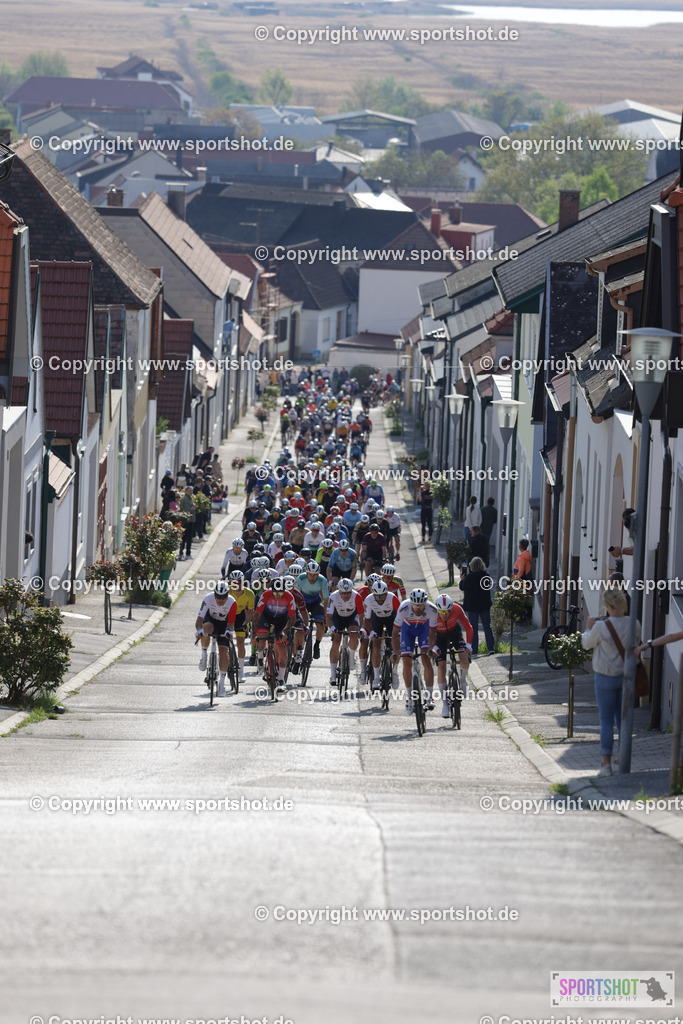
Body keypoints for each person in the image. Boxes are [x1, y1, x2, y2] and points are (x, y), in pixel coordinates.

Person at [581, 589, 631, 776]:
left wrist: (588, 627)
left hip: (604, 677)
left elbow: (586, 643)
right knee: (623, 721)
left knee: (606, 721)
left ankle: (606, 765)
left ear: (608, 606)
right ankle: (621, 759)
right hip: (625, 677)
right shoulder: (633, 624)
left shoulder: (601, 627)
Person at [393, 588, 438, 713]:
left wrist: (430, 649)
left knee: (426, 658)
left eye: (421, 605)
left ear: (426, 604)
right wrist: (396, 651)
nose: (418, 608)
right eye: (415, 605)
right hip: (408, 630)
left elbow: (433, 634)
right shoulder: (403, 608)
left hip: (424, 629)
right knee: (407, 662)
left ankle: (429, 696)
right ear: (411, 603)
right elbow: (395, 633)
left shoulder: (432, 610)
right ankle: (409, 697)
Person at [433, 594, 472, 719]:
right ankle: (445, 704)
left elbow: (468, 627)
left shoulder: (457, 609)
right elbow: (428, 633)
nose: (444, 614)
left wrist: (469, 644)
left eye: (447, 612)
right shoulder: (432, 613)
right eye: (442, 612)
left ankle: (462, 680)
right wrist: (434, 646)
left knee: (464, 658)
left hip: (454, 633)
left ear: (451, 609)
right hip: (439, 637)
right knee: (441, 667)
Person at [196, 580, 237, 697]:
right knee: (206, 628)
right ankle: (204, 655)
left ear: (227, 595)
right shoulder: (207, 599)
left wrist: (229, 631)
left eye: (223, 597)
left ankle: (222, 684)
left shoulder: (232, 602)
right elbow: (199, 620)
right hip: (211, 620)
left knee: (224, 651)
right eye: (218, 597)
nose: (220, 600)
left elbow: (231, 623)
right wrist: (199, 630)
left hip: (224, 624)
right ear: (214, 594)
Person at [363, 579, 400, 692]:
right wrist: (372, 632)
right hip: (376, 619)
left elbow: (401, 616)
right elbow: (367, 620)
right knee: (376, 644)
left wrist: (400, 633)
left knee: (396, 645)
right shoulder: (368, 600)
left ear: (386, 593)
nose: (380, 599)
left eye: (382, 596)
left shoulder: (393, 598)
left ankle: (394, 671)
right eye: (377, 596)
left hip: (392, 619)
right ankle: (376, 676)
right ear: (373, 594)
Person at [326, 578, 364, 686]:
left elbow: (361, 615)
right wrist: (332, 628)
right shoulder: (333, 596)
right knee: (336, 641)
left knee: (353, 633)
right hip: (337, 617)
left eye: (348, 593)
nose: (346, 596)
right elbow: (328, 617)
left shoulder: (357, 596)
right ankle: (333, 675)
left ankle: (351, 658)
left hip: (352, 617)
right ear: (339, 591)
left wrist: (361, 628)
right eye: (343, 593)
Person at [458, 557, 495, 656]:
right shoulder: (486, 576)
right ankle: (491, 647)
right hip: (484, 605)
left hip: (472, 606)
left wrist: (462, 579)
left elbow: (462, 587)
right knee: (487, 626)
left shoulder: (470, 578)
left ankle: (474, 650)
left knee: (473, 627)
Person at [178, 486, 196, 560]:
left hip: (190, 520)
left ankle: (185, 552)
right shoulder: (185, 499)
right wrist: (193, 507)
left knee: (187, 537)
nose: (191, 492)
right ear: (186, 491)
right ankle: (185, 553)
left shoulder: (189, 498)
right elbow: (187, 510)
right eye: (189, 491)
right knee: (186, 538)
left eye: (191, 490)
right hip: (187, 520)